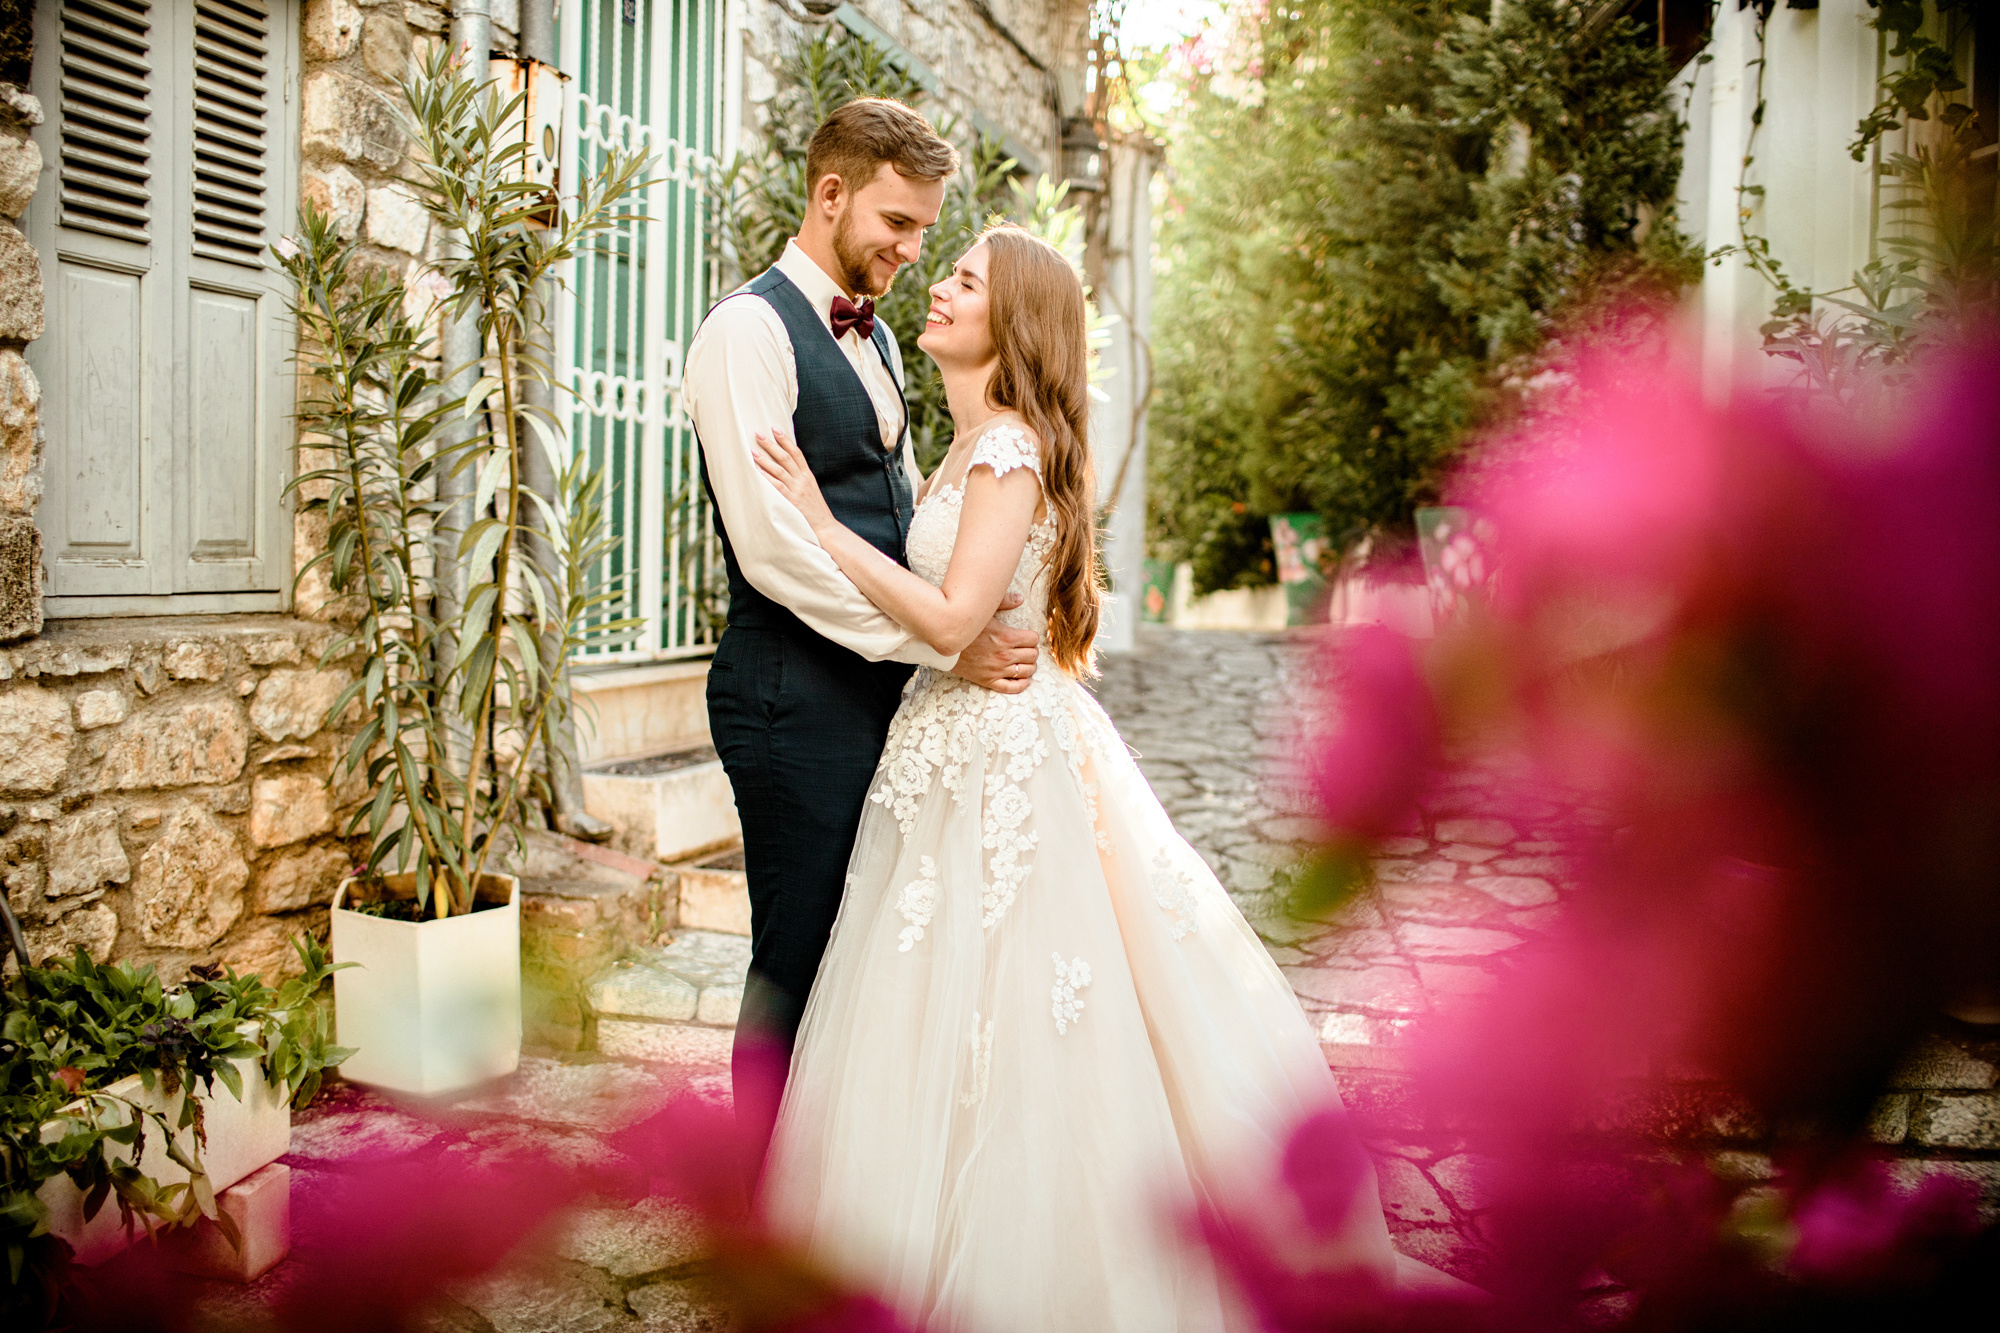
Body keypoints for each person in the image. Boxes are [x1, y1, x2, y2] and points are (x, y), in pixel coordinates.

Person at [749, 224, 1408, 1331]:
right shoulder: (962, 449)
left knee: (1016, 1000)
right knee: (923, 994)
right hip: (947, 747)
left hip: (1003, 754)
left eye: (965, 279)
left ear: (1011, 324)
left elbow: (958, 616)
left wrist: (816, 521)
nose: (942, 288)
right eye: (948, 272)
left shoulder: (1005, 449)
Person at [682, 100, 1039, 1146]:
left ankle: (828, 1183)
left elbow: (898, 504)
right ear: (829, 193)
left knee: (861, 949)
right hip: (788, 692)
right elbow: (773, 547)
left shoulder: (879, 337)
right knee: (793, 953)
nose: (911, 248)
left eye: (927, 229)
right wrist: (940, 638)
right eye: (896, 220)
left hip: (874, 685)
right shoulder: (745, 333)